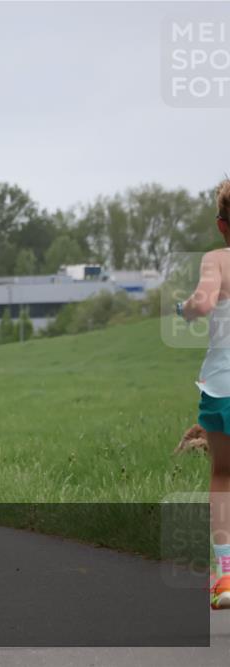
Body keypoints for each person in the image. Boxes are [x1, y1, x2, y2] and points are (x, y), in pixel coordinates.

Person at [180, 179, 230, 609]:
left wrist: (186, 308)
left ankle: (225, 578)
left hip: (222, 388)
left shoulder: (217, 261)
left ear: (221, 225)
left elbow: (204, 302)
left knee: (224, 475)